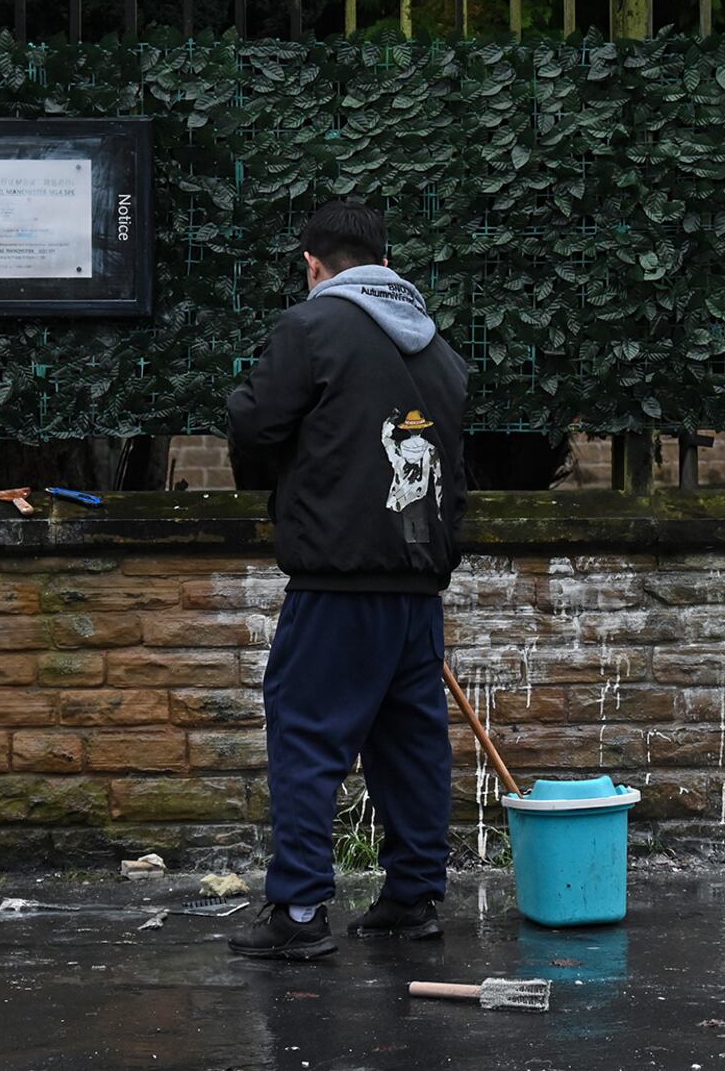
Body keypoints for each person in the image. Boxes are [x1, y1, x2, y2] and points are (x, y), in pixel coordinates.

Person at [224, 200, 469, 960]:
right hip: (417, 580)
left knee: (305, 734)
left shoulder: (311, 328)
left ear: (312, 263)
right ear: (385, 263)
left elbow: (254, 424)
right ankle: (412, 897)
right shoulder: (441, 351)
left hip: (335, 577)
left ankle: (297, 910)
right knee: (411, 743)